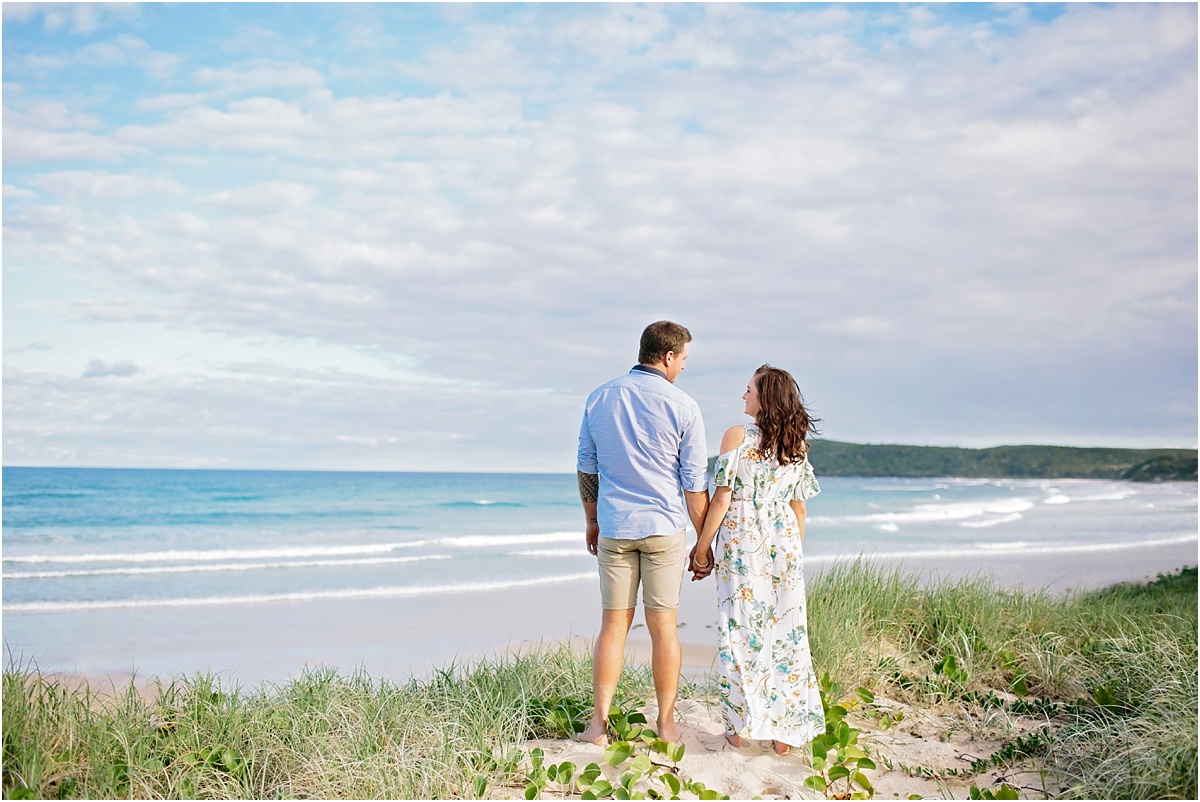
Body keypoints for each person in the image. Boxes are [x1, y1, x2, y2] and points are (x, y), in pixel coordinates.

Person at [576, 321, 711, 746]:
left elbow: (587, 467)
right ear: (668, 356)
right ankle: (666, 725)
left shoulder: (599, 397)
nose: (684, 367)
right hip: (663, 530)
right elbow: (693, 484)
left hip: (615, 528)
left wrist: (592, 520)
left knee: (613, 626)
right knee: (663, 627)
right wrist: (704, 543)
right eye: (684, 359)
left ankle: (598, 725)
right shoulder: (684, 406)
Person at [689, 364, 823, 756]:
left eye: (748, 389)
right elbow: (799, 509)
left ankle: (740, 731)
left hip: (744, 544)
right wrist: (792, 555)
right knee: (788, 636)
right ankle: (784, 737)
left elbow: (722, 498)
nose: (743, 396)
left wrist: (701, 548)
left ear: (766, 397)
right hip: (785, 545)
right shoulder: (797, 445)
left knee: (741, 632)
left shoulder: (737, 436)